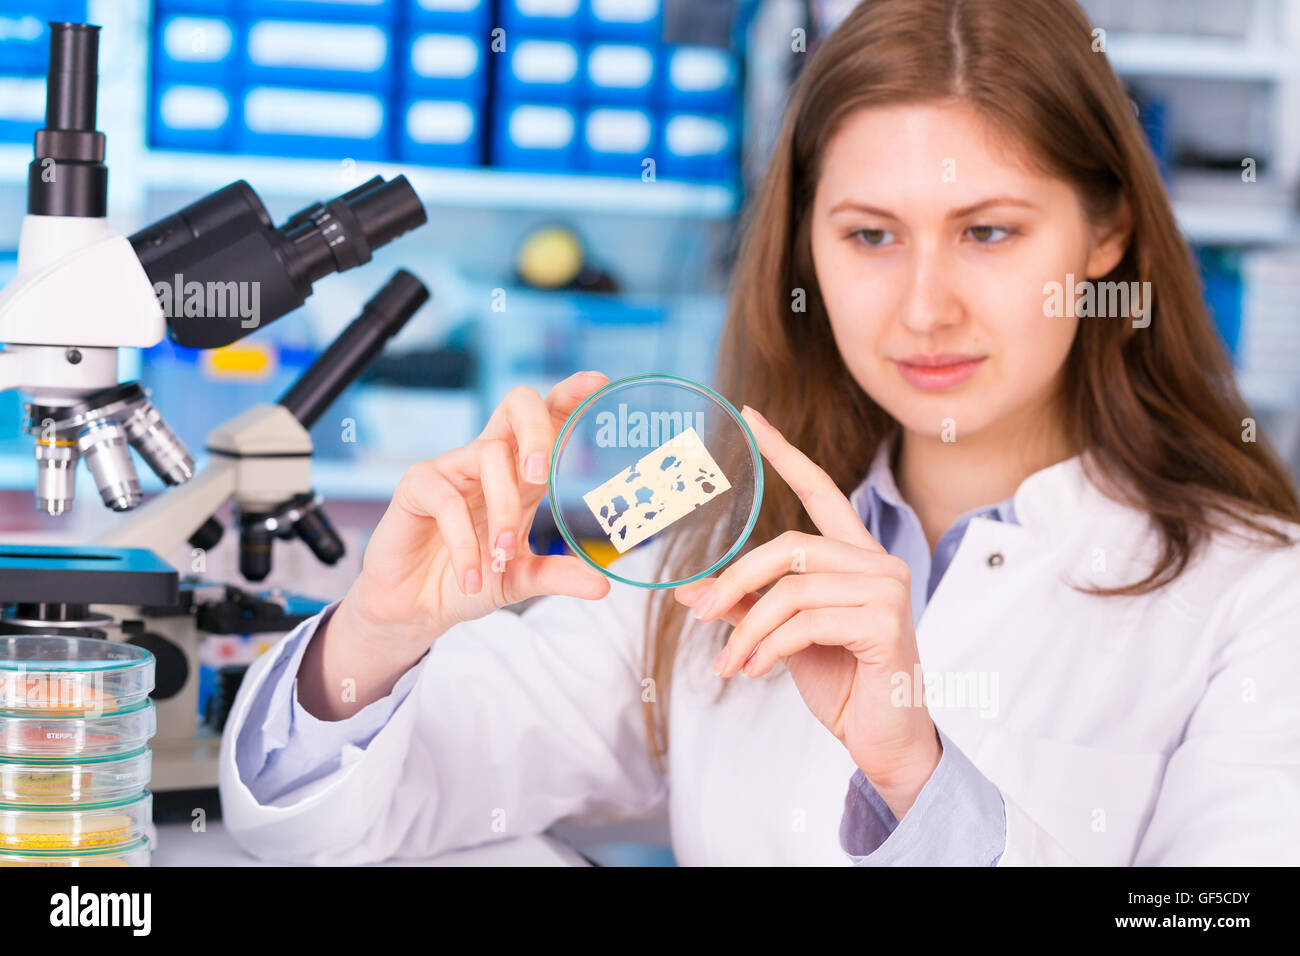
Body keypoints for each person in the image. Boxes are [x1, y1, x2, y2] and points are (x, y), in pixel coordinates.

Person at [218, 0, 1300, 865]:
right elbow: (344, 821)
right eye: (869, 235)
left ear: (1106, 235)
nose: (925, 307)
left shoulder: (1257, 591)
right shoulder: (704, 518)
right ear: (805, 249)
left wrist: (917, 776)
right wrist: (376, 635)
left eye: (987, 232)